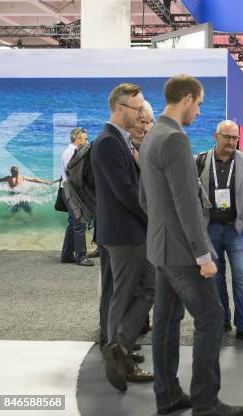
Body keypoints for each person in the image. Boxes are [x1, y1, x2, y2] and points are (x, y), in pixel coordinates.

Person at [139, 75, 243, 416]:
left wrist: (162, 233)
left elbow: (145, 199)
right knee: (211, 318)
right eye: (198, 103)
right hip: (184, 252)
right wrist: (204, 255)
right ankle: (206, 402)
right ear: (186, 99)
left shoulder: (151, 135)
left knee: (167, 321)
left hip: (161, 248)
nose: (199, 111)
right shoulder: (174, 139)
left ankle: (167, 395)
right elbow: (186, 203)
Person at [92, 83, 155, 392]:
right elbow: (127, 194)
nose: (141, 114)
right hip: (124, 233)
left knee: (144, 287)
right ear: (121, 109)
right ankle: (118, 354)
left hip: (129, 231)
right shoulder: (108, 143)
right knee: (124, 293)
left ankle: (120, 347)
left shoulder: (117, 141)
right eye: (138, 108)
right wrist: (155, 217)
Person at [198, 120, 243, 345]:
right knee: (215, 279)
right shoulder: (200, 161)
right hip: (210, 229)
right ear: (216, 136)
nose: (232, 142)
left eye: (235, 138)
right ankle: (222, 321)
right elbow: (194, 198)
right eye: (227, 137)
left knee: (242, 278)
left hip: (236, 230)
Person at [60, 128, 93, 266]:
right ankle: (81, 256)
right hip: (71, 191)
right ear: (77, 139)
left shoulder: (73, 152)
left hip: (69, 190)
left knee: (73, 223)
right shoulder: (71, 153)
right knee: (79, 223)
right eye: (85, 139)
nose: (87, 142)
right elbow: (74, 176)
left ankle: (67, 254)